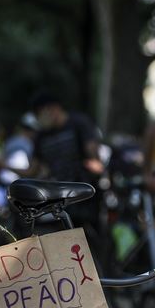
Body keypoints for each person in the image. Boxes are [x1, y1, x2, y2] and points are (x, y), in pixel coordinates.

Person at [31, 92, 104, 228]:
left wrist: (94, 166)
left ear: (54, 108)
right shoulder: (41, 136)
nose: (39, 118)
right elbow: (33, 170)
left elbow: (94, 158)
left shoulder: (79, 123)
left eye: (40, 113)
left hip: (84, 195)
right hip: (58, 198)